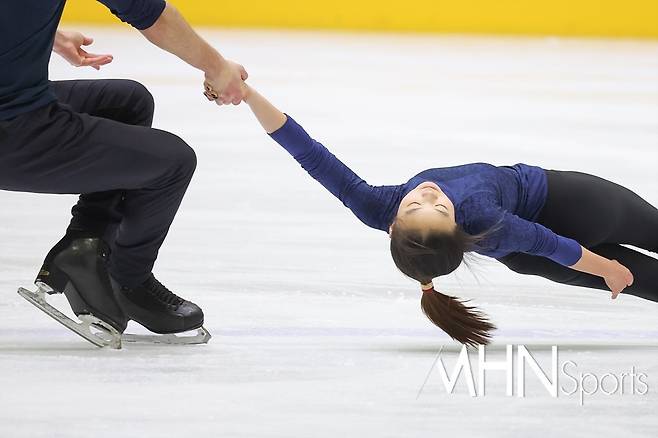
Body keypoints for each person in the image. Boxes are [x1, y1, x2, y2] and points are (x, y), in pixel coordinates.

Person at [219, 83, 658, 346]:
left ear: (393, 223)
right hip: (565, 224)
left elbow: (310, 155)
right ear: (457, 226)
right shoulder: (485, 222)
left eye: (417, 205)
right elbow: (552, 246)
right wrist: (609, 271)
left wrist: (249, 94)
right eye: (437, 209)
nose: (427, 196)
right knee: (643, 280)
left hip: (572, 203)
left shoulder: (376, 206)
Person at [0, 0, 247, 347]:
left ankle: (83, 248)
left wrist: (45, 33)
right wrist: (217, 67)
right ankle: (128, 281)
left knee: (127, 102)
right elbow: (152, 15)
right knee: (173, 162)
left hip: (16, 105)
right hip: (15, 129)